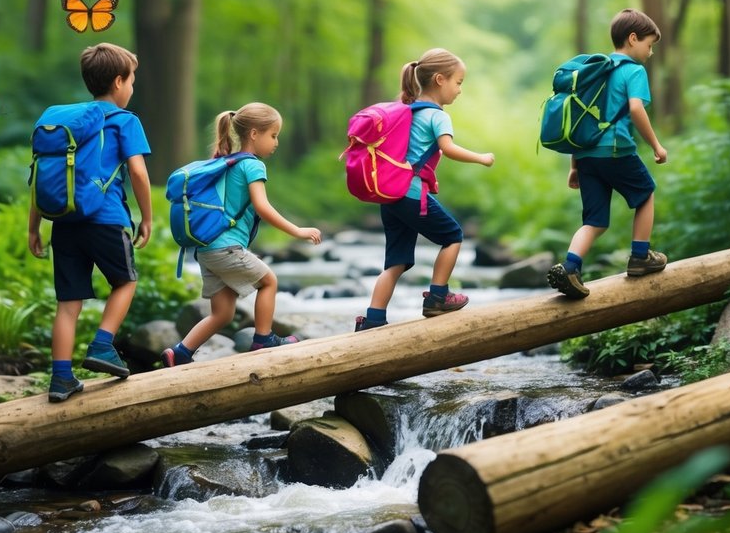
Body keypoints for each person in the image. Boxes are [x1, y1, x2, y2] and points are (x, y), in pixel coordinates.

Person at [28, 43, 154, 402]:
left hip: (63, 223)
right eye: (131, 81)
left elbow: (41, 176)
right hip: (106, 219)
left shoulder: (67, 122)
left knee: (68, 304)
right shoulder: (125, 121)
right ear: (118, 81)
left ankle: (61, 379)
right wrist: (147, 217)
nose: (132, 88)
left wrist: (33, 227)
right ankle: (102, 345)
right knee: (125, 282)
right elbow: (138, 174)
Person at [162, 102, 322, 367]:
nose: (276, 142)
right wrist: (297, 230)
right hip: (226, 248)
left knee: (222, 314)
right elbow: (262, 206)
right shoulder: (253, 166)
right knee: (269, 281)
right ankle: (263, 338)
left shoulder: (227, 163)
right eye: (273, 135)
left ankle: (179, 352)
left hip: (206, 250)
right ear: (254, 134)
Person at [356, 48, 495, 331]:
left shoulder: (406, 110)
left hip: (392, 195)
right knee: (453, 235)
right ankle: (438, 296)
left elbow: (408, 154)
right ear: (440, 80)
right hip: (408, 194)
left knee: (396, 261)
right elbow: (448, 148)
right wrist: (481, 157)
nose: (459, 90)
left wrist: (428, 180)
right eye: (458, 82)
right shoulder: (437, 115)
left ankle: (373, 319)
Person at [549, 8, 668, 299]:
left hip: (587, 155)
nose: (650, 53)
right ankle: (640, 255)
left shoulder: (594, 71)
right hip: (617, 151)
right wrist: (656, 145)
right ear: (632, 39)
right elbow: (637, 109)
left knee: (594, 221)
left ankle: (570, 266)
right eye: (649, 45)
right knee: (645, 193)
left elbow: (581, 119)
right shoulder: (633, 71)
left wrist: (574, 166)